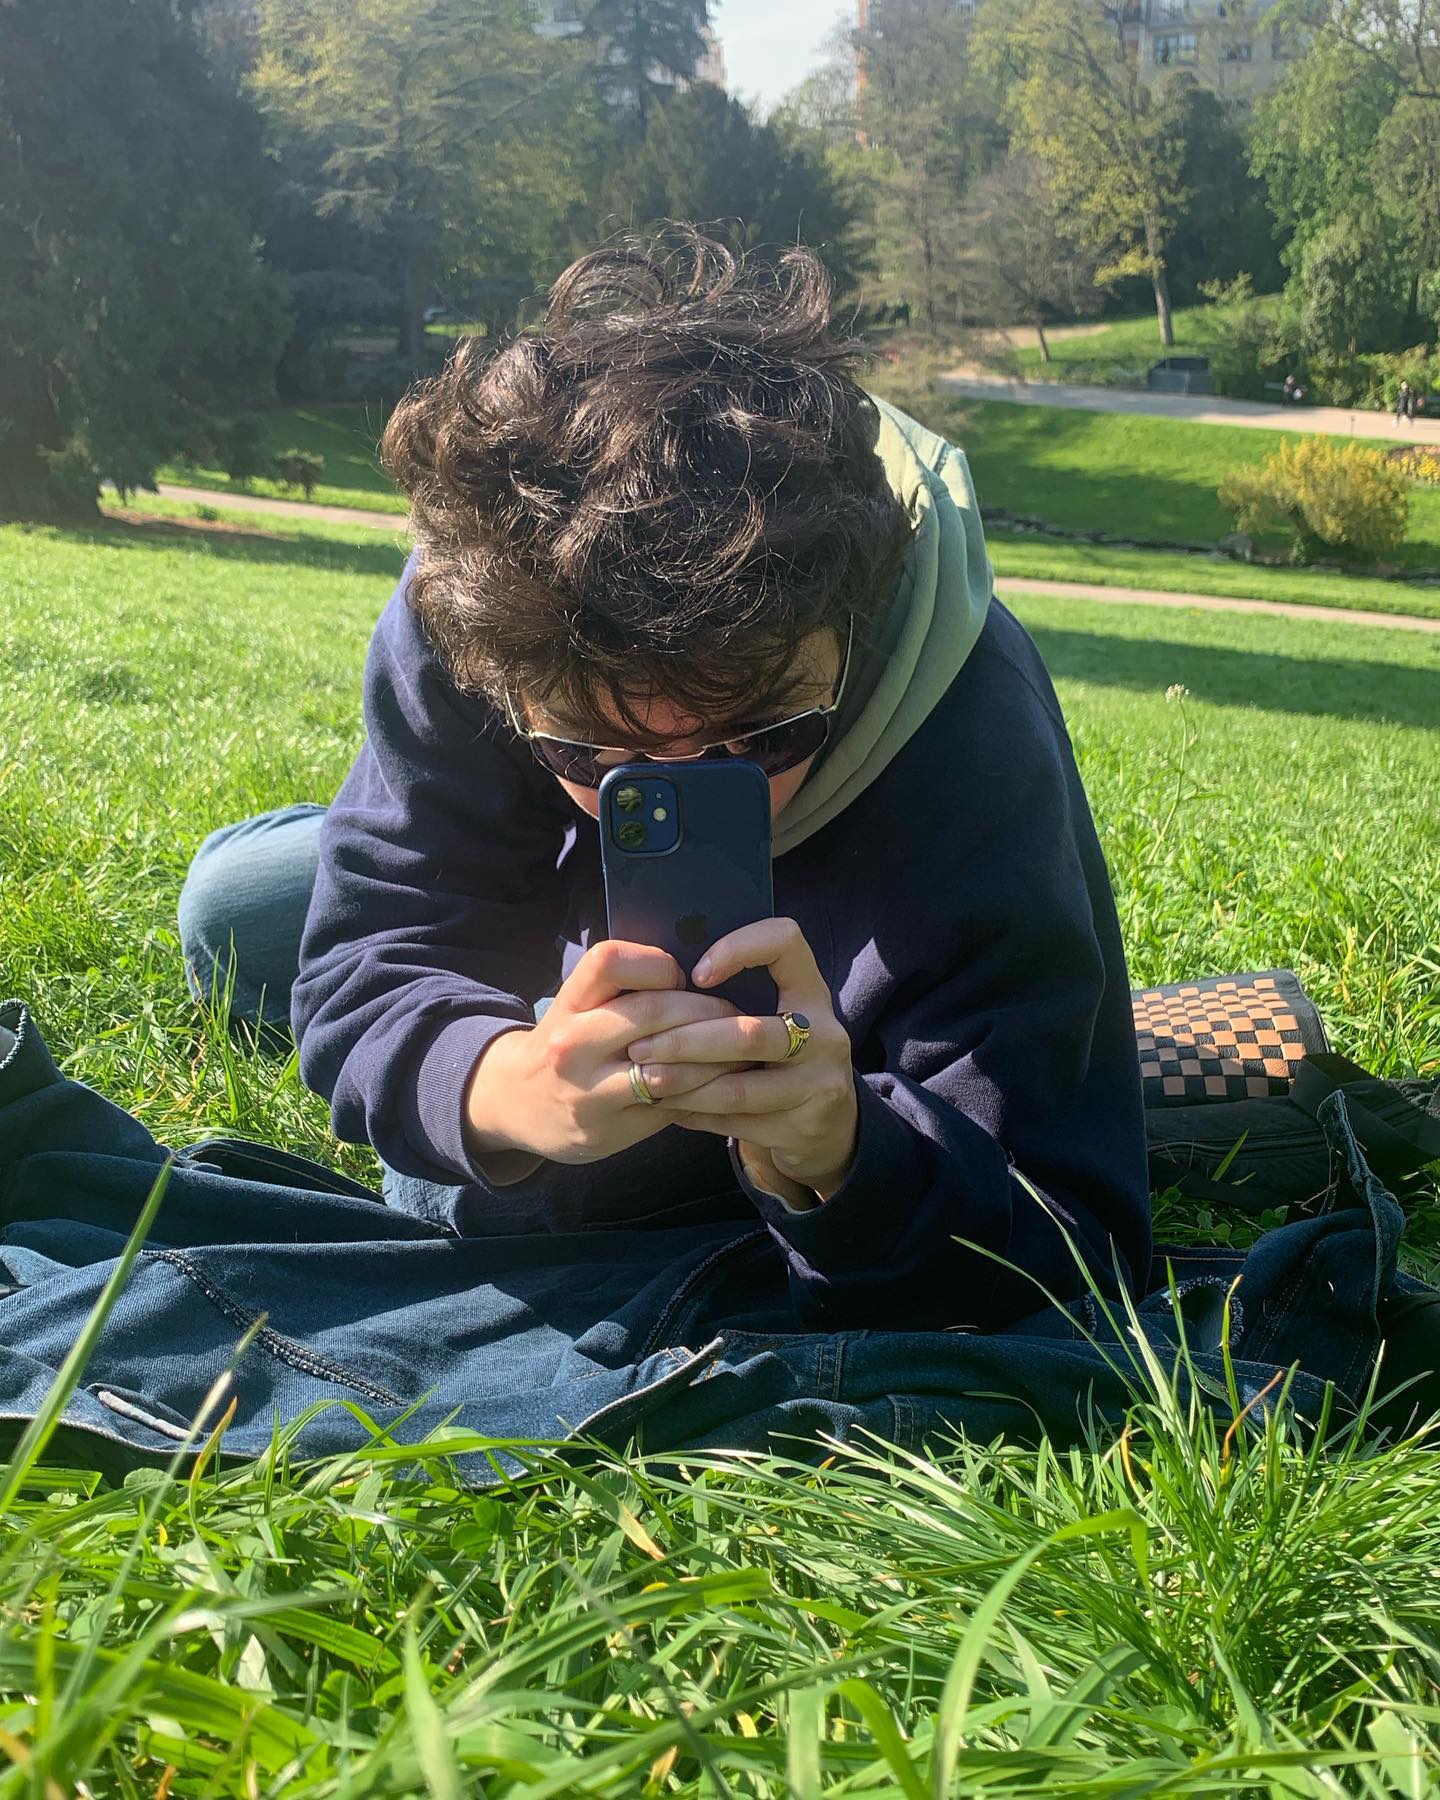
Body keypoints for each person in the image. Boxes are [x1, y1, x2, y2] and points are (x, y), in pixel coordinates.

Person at [178, 225, 1150, 1333]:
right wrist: (505, 1087)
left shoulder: (968, 714)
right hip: (532, 904)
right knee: (230, 912)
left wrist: (847, 1153)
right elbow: (371, 953)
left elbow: (1071, 1238)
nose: (682, 787)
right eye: (593, 755)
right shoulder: (485, 604)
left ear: (852, 629)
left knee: (584, 1186)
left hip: (841, 977)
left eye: (758, 739)